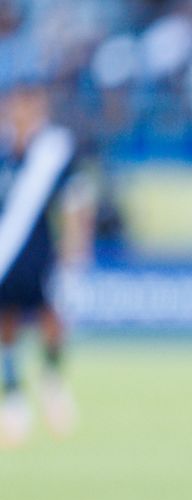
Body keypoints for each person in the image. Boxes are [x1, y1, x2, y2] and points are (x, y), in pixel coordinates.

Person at [0, 79, 92, 446]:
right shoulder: (5, 150)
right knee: (5, 321)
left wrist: (75, 253)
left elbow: (76, 202)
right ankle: (13, 392)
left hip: (42, 250)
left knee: (52, 317)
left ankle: (52, 383)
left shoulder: (55, 151)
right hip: (6, 252)